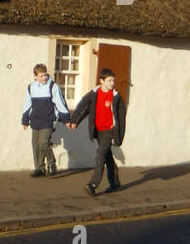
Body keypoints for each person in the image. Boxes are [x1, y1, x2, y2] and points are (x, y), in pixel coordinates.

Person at [67, 68, 126, 196]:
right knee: (107, 156)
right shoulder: (94, 94)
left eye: (113, 80)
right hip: (98, 131)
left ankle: (93, 184)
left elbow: (121, 118)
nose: (112, 83)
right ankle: (115, 182)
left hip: (109, 131)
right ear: (102, 81)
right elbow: (83, 107)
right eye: (109, 80)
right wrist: (75, 120)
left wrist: (119, 136)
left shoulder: (116, 97)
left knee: (100, 156)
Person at [21, 63, 70, 177]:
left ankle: (51, 164)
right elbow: (27, 104)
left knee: (43, 142)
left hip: (48, 120)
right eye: (41, 76)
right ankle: (39, 168)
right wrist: (25, 121)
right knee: (36, 145)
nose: (44, 78)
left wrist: (66, 119)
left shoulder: (53, 86)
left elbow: (60, 103)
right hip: (35, 120)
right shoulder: (31, 87)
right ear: (35, 76)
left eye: (45, 75)